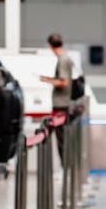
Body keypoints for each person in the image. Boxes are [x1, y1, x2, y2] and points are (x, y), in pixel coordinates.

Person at [39, 33, 75, 161]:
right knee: (62, 138)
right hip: (64, 103)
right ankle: (66, 168)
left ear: (50, 46)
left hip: (61, 104)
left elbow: (64, 82)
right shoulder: (66, 58)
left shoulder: (63, 60)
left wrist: (48, 81)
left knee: (62, 139)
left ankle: (65, 168)